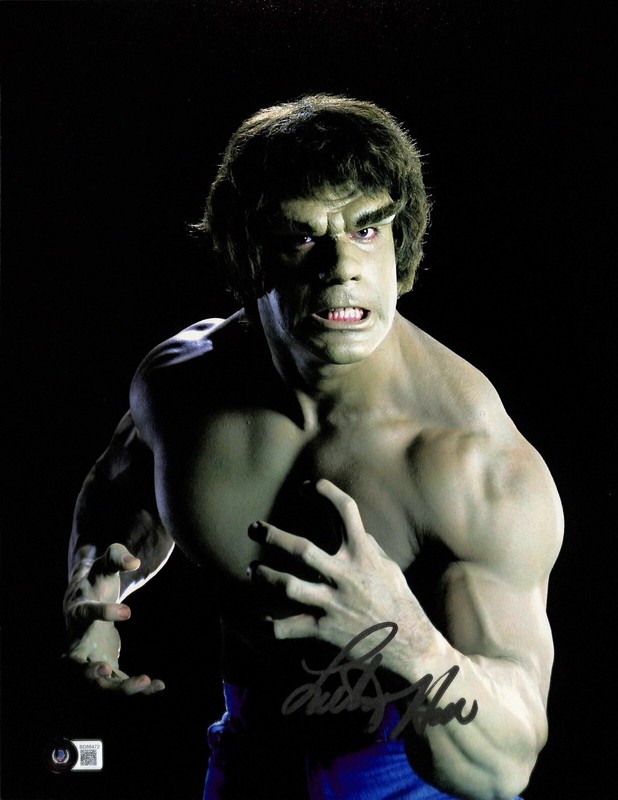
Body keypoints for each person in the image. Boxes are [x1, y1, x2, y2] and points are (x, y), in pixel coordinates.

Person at [63, 95, 563, 800]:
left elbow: (506, 763)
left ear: (400, 239)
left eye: (367, 230)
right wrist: (92, 592)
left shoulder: (469, 463)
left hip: (406, 775)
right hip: (248, 758)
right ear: (249, 253)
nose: (341, 267)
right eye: (302, 237)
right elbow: (119, 491)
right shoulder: (181, 386)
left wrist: (404, 636)